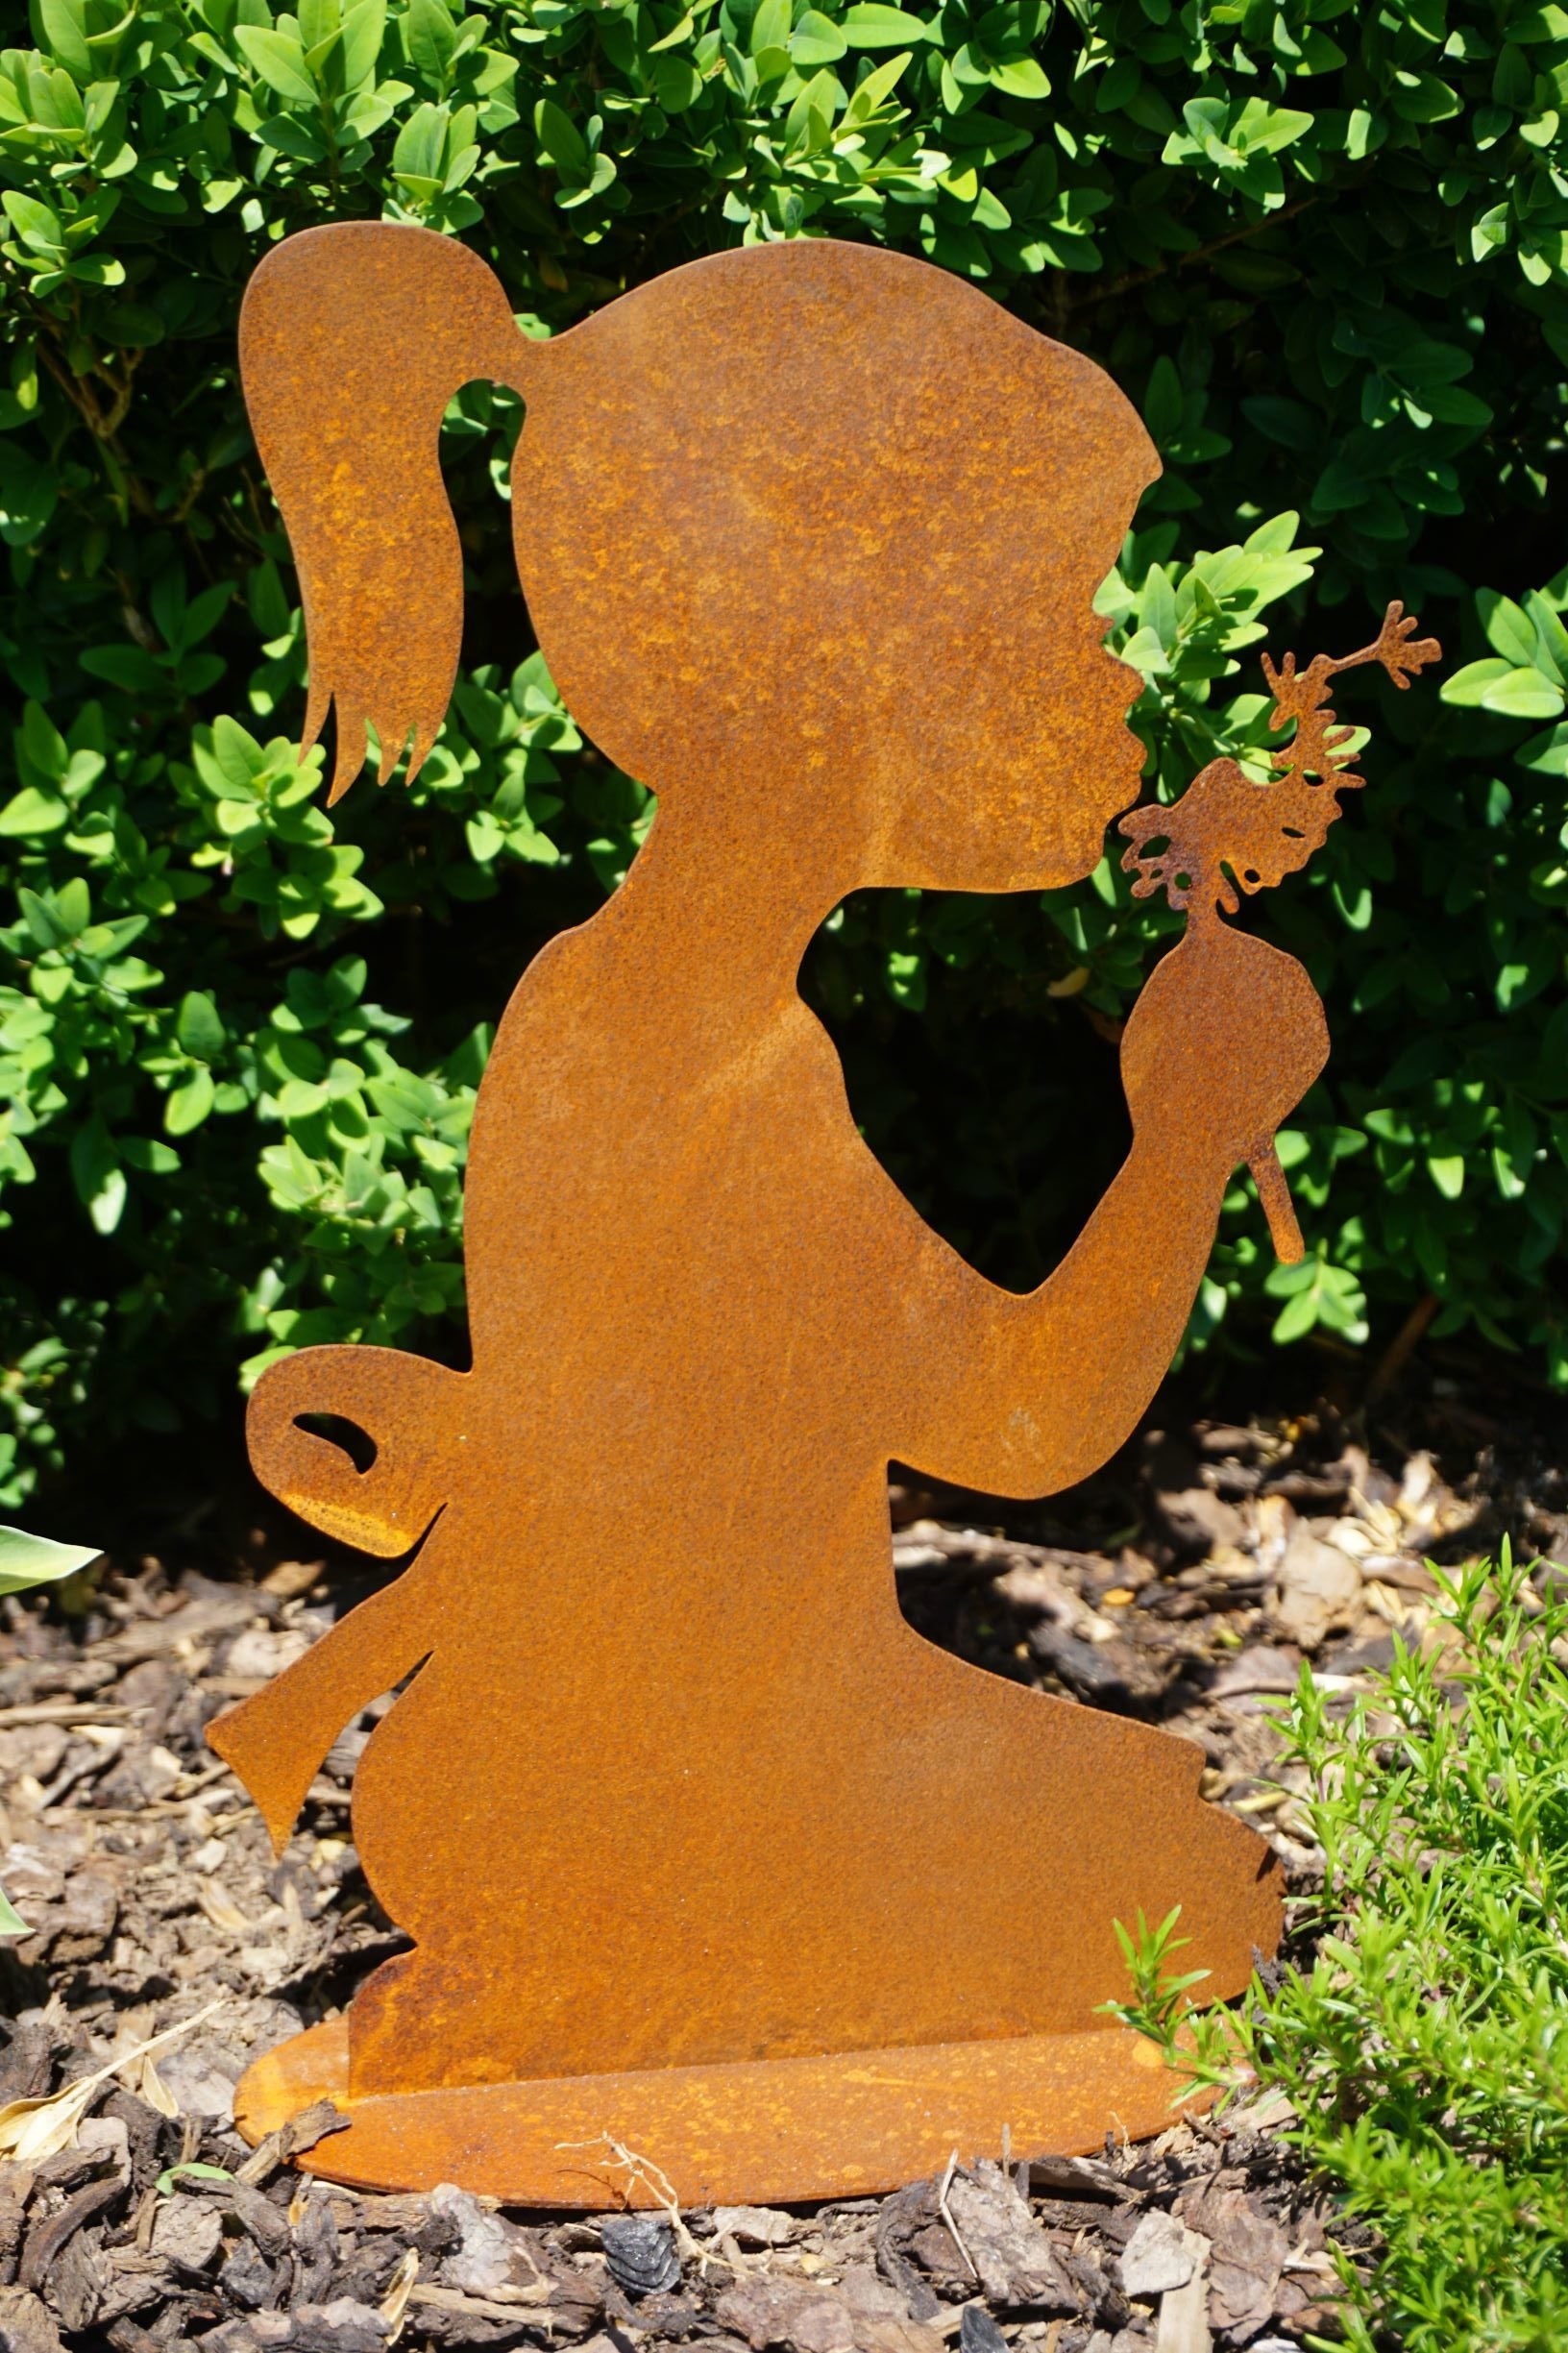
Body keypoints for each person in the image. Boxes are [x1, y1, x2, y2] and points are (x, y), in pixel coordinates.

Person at [211, 225, 1323, 2101]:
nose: (1116, 686)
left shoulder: (620, 1004)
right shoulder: (704, 1064)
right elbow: (1027, 1420)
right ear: (851, 661)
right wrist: (1185, 1144)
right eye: (1062, 618)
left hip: (624, 1766)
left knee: (1160, 1828)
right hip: (650, 1805)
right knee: (1178, 1881)